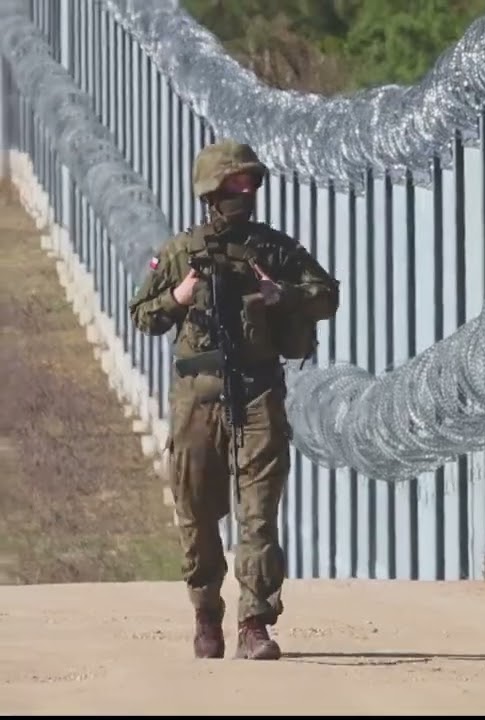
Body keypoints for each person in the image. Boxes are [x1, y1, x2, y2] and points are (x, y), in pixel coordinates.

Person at [128, 139, 340, 660]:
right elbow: (142, 314)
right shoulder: (181, 252)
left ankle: (255, 623)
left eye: (250, 183)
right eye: (233, 184)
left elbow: (327, 293)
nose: (243, 193)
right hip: (197, 398)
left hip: (257, 391)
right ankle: (206, 614)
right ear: (210, 191)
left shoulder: (273, 250)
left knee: (259, 512)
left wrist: (281, 295)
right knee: (197, 512)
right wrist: (178, 296)